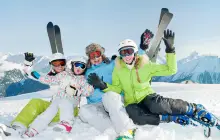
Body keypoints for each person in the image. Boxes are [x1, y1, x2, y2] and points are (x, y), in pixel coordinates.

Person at [87, 29, 220, 139]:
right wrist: (103, 85)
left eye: (129, 51)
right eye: (123, 52)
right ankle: (170, 118)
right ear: (120, 55)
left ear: (134, 52)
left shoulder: (145, 65)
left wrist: (170, 49)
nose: (126, 55)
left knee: (157, 105)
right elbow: (117, 88)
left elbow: (171, 69)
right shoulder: (118, 69)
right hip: (131, 101)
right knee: (136, 117)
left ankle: (193, 109)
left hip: (147, 96)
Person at [7, 53, 94, 138]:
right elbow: (45, 78)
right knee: (39, 105)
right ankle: (22, 128)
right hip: (57, 102)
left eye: (82, 66)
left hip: (70, 108)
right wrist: (29, 67)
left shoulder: (80, 78)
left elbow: (89, 90)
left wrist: (76, 92)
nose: (59, 66)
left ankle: (66, 123)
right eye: (55, 64)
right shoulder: (61, 75)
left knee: (63, 102)